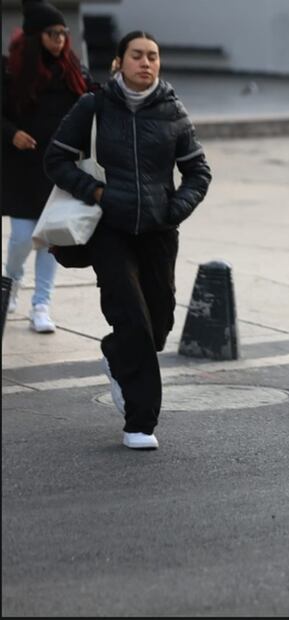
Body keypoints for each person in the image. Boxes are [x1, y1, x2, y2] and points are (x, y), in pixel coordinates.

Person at [45, 31, 211, 450]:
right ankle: (140, 422)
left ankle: (116, 355)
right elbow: (56, 159)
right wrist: (97, 193)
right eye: (137, 55)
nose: (146, 63)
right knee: (133, 321)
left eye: (153, 56)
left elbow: (199, 172)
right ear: (119, 62)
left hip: (158, 233)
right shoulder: (94, 106)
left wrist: (175, 209)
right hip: (110, 231)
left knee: (157, 327)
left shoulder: (172, 111)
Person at [2, 0, 95, 332]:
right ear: (33, 36)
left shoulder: (73, 71)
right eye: (51, 33)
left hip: (59, 170)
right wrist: (11, 134)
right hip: (21, 170)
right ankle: (10, 281)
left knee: (50, 240)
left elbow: (93, 101)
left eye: (63, 33)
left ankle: (41, 304)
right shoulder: (11, 71)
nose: (59, 39)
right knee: (22, 239)